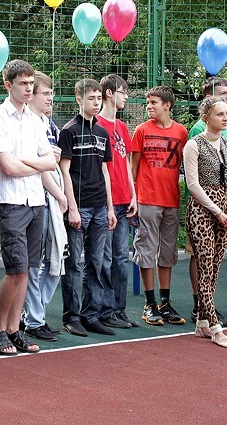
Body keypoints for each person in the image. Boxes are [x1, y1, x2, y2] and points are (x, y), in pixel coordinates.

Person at [0, 60, 56, 355]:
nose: (29, 89)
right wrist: (31, 164)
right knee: (15, 269)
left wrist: (23, 162)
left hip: (35, 200)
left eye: (30, 84)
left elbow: (50, 161)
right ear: (8, 85)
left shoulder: (36, 120)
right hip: (10, 201)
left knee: (28, 270)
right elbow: (8, 169)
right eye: (23, 84)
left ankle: (14, 330)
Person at [59, 78, 116, 336]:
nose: (96, 103)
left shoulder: (103, 133)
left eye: (98, 99)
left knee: (97, 262)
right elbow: (64, 171)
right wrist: (71, 207)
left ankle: (91, 314)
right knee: (73, 265)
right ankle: (71, 317)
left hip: (100, 208)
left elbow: (105, 171)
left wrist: (111, 207)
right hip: (78, 208)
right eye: (90, 98)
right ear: (79, 99)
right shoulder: (69, 131)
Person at [130, 86, 188, 326]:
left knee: (167, 253)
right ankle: (149, 303)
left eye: (154, 102)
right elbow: (132, 168)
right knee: (146, 251)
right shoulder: (141, 131)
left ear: (167, 105)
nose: (149, 106)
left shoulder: (181, 132)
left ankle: (165, 302)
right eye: (148, 102)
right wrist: (132, 198)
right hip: (147, 201)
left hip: (171, 201)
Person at [184, 97, 227, 348]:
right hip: (202, 210)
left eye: (226, 113)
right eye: (220, 114)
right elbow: (193, 184)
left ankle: (201, 324)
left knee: (215, 266)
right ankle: (215, 326)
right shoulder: (193, 145)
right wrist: (218, 211)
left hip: (224, 210)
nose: (225, 118)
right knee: (205, 266)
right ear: (206, 117)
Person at [22, 71, 68, 342]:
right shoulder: (28, 125)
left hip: (54, 198)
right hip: (37, 198)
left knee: (57, 259)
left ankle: (33, 313)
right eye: (45, 93)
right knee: (33, 260)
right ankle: (33, 318)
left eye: (51, 93)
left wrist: (63, 196)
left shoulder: (50, 126)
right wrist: (60, 195)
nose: (50, 98)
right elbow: (39, 168)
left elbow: (56, 165)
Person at [95, 74, 140, 329]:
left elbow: (125, 163)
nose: (125, 97)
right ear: (110, 93)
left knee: (122, 258)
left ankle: (118, 310)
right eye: (122, 92)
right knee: (106, 258)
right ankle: (104, 309)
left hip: (125, 200)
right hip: (107, 202)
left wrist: (133, 195)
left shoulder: (122, 128)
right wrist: (111, 202)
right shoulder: (98, 125)